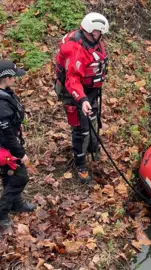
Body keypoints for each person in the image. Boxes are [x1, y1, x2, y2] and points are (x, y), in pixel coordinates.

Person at [0, 59, 36, 229]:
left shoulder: (0, 92)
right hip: (4, 146)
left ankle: (16, 204)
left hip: (4, 140)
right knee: (20, 177)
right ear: (5, 79)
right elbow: (7, 137)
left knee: (9, 175)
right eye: (13, 76)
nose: (15, 79)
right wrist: (21, 154)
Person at [54, 12, 109, 184]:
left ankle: (93, 147)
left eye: (100, 34)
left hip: (90, 90)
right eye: (96, 33)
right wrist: (82, 99)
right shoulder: (76, 49)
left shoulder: (94, 42)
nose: (98, 37)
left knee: (93, 120)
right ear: (88, 31)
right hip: (74, 93)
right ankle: (80, 163)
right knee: (81, 129)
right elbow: (72, 79)